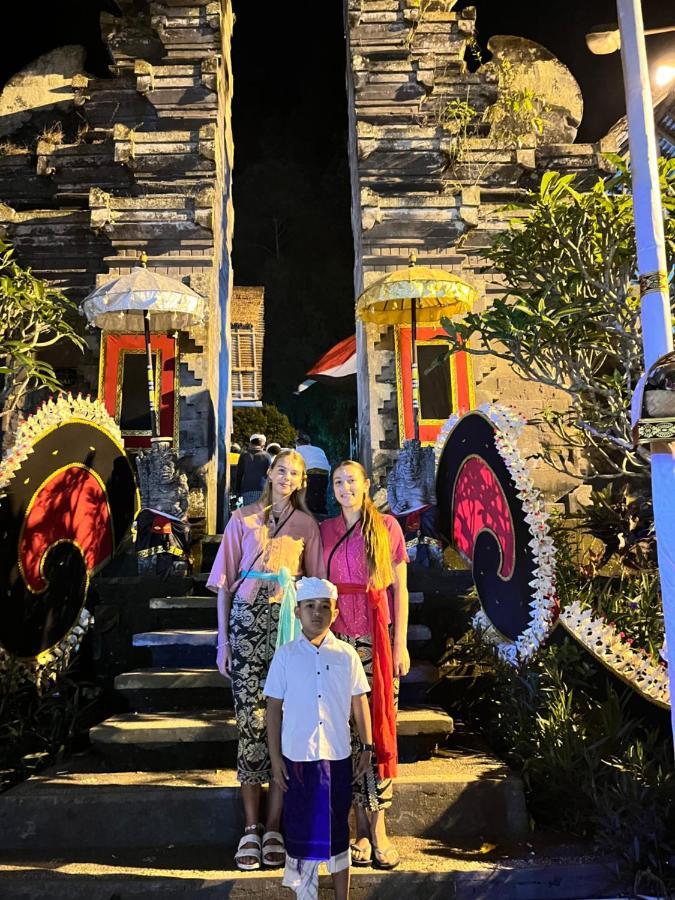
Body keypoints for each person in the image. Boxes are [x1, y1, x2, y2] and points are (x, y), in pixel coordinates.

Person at [207, 449, 325, 871]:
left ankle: (276, 823)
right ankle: (251, 826)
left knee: (284, 721)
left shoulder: (307, 526)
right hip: (245, 623)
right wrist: (222, 642)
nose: (286, 477)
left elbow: (316, 587)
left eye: (294, 473)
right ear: (269, 473)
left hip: (288, 628)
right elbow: (223, 584)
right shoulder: (243, 519)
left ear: (301, 481)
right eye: (281, 470)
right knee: (249, 722)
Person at [319, 460, 410, 870]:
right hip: (340, 642)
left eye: (351, 480)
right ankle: (357, 825)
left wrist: (400, 642)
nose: (344, 488)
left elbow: (400, 591)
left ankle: (380, 826)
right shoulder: (326, 531)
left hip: (378, 638)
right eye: (338, 482)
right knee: (349, 734)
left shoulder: (387, 527)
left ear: (366, 485)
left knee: (378, 730)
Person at [265, 576, 373, 900]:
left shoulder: (347, 655)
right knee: (301, 833)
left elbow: (359, 701)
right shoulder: (285, 656)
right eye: (309, 606)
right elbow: (273, 708)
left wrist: (366, 746)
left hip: (337, 757)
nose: (317, 613)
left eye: (324, 606)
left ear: (335, 612)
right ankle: (305, 896)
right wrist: (274, 758)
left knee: (338, 831)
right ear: (296, 613)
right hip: (298, 759)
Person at [295, 432, 330, 516]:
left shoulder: (298, 450)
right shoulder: (319, 449)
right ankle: (322, 514)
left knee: (308, 497)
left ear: (297, 443)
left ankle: (308, 515)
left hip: (310, 473)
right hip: (325, 474)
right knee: (321, 496)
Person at [235, 434, 272, 505]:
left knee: (248, 513)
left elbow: (239, 474)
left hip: (247, 490)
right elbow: (270, 475)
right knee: (260, 513)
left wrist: (237, 491)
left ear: (251, 443)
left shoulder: (243, 455)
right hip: (262, 489)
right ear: (263, 445)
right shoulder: (267, 456)